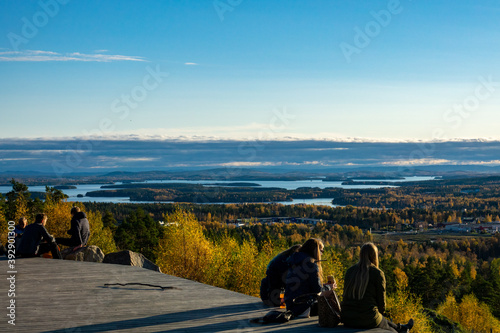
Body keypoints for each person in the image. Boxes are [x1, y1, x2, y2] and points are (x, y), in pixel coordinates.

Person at [341, 242, 414, 333]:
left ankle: (402, 327)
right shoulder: (377, 273)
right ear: (374, 256)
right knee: (386, 325)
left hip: (347, 317)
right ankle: (402, 329)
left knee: (380, 318)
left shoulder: (350, 271)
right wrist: (381, 314)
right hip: (368, 318)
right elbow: (381, 303)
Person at [285, 238, 324, 318]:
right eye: (321, 251)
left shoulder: (294, 260)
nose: (322, 254)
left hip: (290, 304)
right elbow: (317, 290)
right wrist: (328, 287)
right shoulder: (311, 264)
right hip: (303, 307)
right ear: (316, 251)